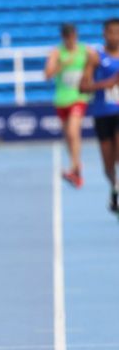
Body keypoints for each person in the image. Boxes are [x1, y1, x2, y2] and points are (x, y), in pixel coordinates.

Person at [46, 23, 95, 188]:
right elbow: (47, 74)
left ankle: (75, 167)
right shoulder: (57, 52)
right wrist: (62, 65)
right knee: (68, 135)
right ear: (63, 37)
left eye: (72, 36)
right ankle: (76, 168)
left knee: (74, 131)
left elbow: (98, 61)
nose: (70, 40)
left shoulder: (85, 50)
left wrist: (89, 74)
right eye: (67, 37)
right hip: (61, 98)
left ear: (76, 35)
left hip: (79, 97)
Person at [80, 18, 119, 211]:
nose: (114, 36)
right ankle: (115, 189)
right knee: (108, 165)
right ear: (104, 34)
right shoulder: (96, 57)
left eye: (117, 32)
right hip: (102, 113)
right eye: (110, 32)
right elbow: (82, 87)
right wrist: (107, 84)